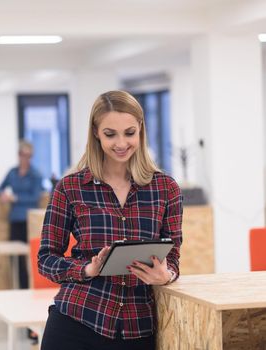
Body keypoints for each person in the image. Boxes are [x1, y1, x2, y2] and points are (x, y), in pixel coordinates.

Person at [38, 90, 183, 350]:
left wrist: (165, 275)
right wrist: (86, 269)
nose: (120, 143)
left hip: (138, 328)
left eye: (129, 133)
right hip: (77, 321)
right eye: (110, 134)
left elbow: (172, 257)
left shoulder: (165, 188)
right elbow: (46, 259)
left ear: (140, 129)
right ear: (95, 132)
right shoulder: (70, 187)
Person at [0, 140, 43, 289]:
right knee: (15, 256)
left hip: (28, 221)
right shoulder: (12, 172)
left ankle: (27, 287)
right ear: (18, 155)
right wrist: (3, 195)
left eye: (29, 156)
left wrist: (15, 198)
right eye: (23, 155)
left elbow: (34, 197)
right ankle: (17, 287)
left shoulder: (36, 175)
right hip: (14, 219)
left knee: (29, 257)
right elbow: (0, 188)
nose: (25, 158)